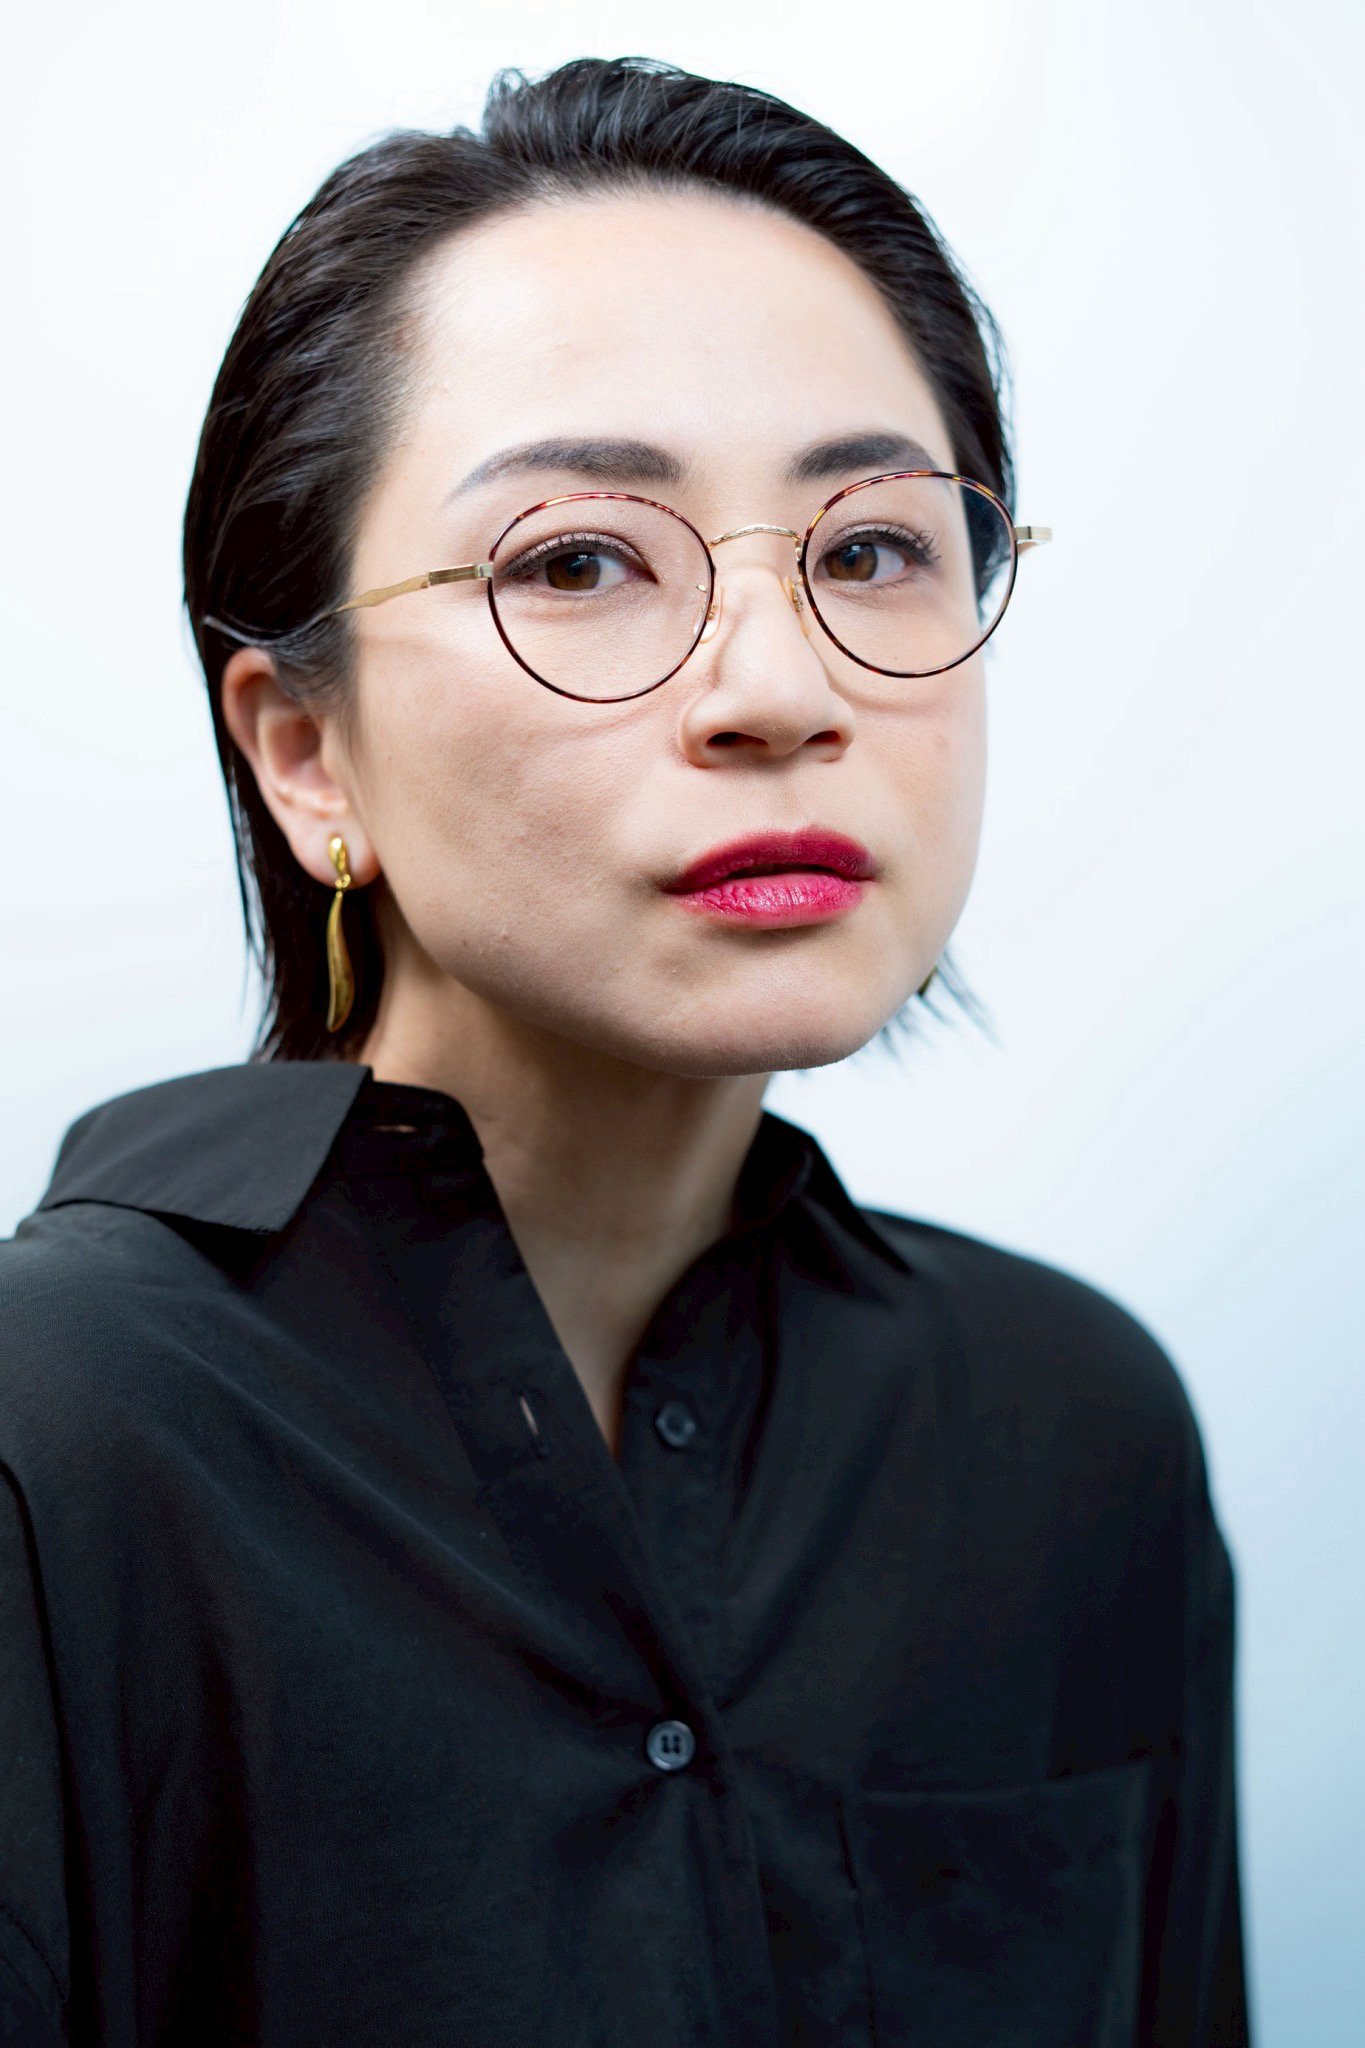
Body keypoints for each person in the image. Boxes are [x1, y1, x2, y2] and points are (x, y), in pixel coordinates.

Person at [0, 53, 1248, 2048]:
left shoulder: (1069, 1435)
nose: (779, 689)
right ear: (305, 752)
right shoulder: (56, 1438)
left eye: (868, 549)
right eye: (577, 560)